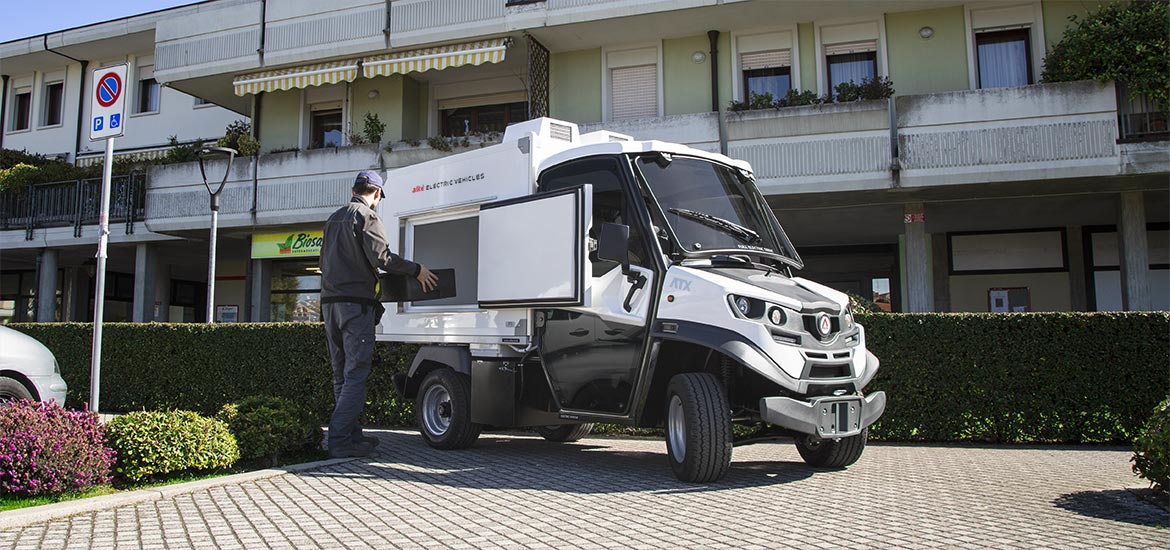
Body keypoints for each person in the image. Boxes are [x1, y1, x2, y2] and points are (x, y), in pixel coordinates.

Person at [320, 170, 437, 458]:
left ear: (354, 189)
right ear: (376, 194)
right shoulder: (367, 217)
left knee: (341, 375)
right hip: (355, 307)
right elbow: (383, 258)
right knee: (356, 374)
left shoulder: (333, 218)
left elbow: (322, 262)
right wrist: (417, 269)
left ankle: (350, 435)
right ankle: (339, 440)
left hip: (329, 305)